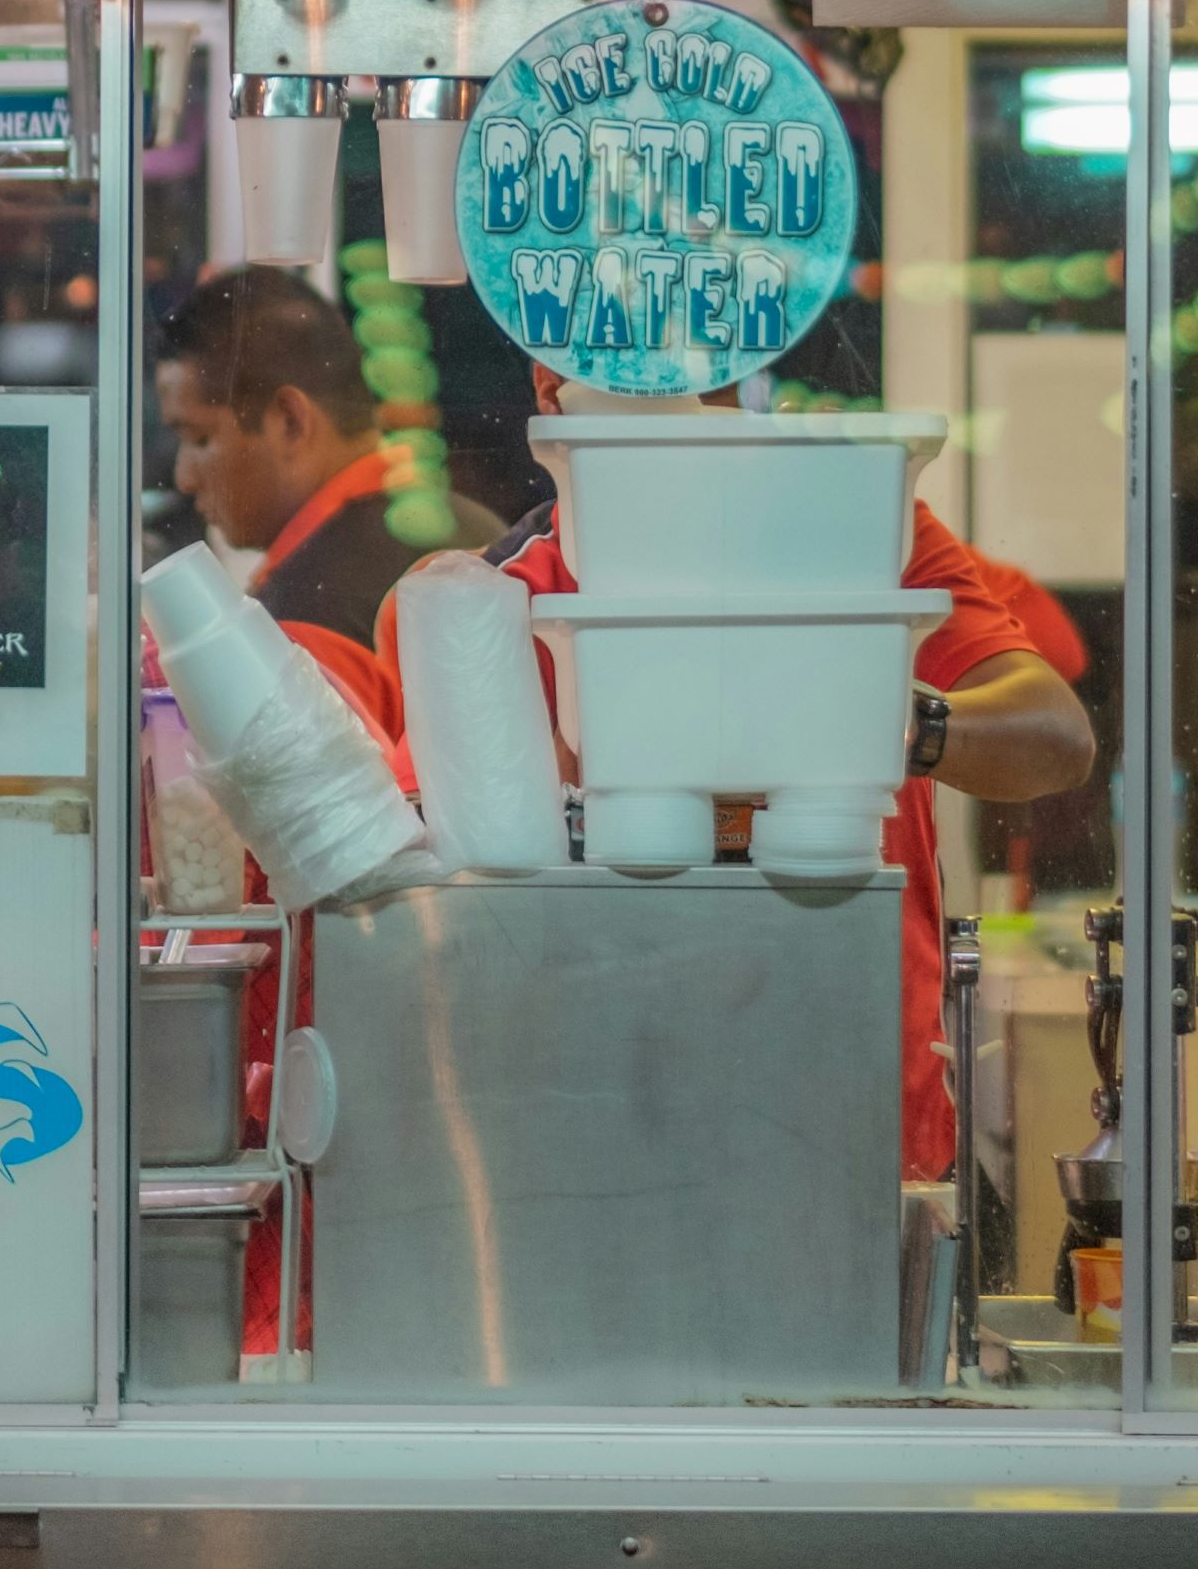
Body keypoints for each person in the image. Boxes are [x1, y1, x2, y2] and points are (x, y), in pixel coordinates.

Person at [389, 369, 1094, 1187]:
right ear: (558, 403)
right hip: (625, 1134)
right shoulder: (506, 596)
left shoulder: (854, 520)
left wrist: (871, 714)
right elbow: (439, 902)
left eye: (713, 385)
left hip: (871, 1119)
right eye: (654, 388)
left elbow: (1054, 739)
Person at [154, 269, 424, 723]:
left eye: (200, 438)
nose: (184, 478)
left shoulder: (309, 619)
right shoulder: (470, 525)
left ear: (289, 421)